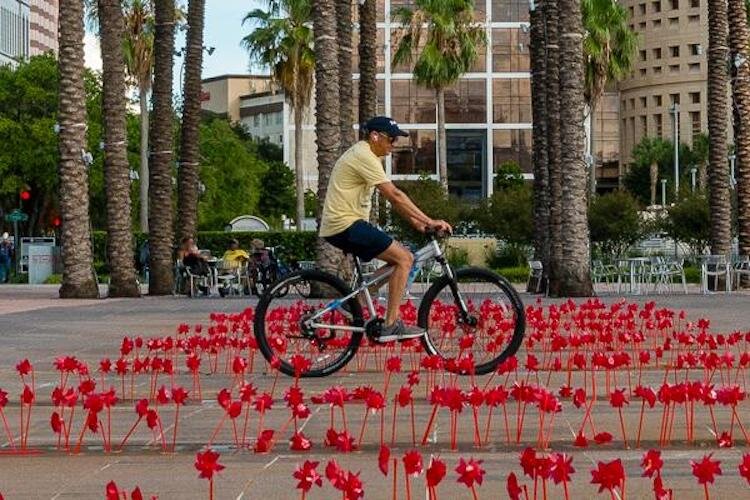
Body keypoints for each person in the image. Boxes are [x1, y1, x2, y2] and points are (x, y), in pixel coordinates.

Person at [319, 116, 452, 342]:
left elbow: (392, 199)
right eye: (391, 139)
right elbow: (395, 194)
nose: (393, 145)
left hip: (345, 225)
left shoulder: (364, 154)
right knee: (405, 259)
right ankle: (391, 325)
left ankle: (358, 300)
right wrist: (429, 220)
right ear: (375, 136)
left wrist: (417, 223)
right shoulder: (364, 155)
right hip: (346, 225)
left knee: (399, 260)